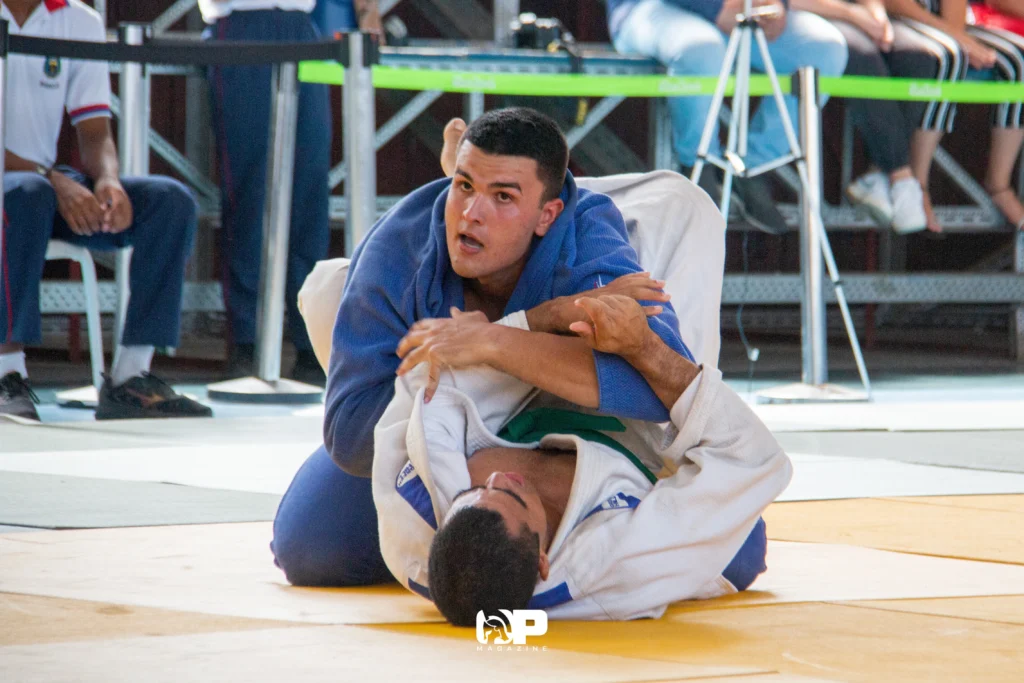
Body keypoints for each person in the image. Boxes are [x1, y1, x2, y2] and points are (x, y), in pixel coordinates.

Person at [270, 107, 721, 587]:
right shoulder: (401, 244)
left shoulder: (586, 236)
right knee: (311, 549)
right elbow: (353, 438)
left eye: (502, 196)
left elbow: (657, 390)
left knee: (735, 552)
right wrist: (544, 321)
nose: (471, 214)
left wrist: (492, 344)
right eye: (463, 186)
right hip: (436, 437)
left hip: (557, 429)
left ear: (548, 215)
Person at [374, 294, 791, 622]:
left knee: (330, 538)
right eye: (513, 495)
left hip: (511, 393)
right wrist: (645, 348)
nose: (499, 476)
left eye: (477, 489)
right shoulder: (618, 558)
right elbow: (752, 458)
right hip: (634, 439)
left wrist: (520, 326)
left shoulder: (412, 519)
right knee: (743, 551)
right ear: (543, 562)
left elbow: (427, 375)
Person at [0, 0, 211, 421]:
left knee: (169, 203)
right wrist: (51, 179)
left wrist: (108, 180)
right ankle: (7, 372)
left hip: (42, 184)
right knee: (28, 194)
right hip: (29, 187)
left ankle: (131, 378)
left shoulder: (79, 20)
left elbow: (95, 129)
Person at [200, 0, 379, 385]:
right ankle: (246, 341)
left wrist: (368, 12)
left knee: (309, 191)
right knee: (249, 194)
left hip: (302, 26)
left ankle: (310, 342)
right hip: (240, 24)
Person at [606, 0, 849, 234]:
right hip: (654, 8)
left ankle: (752, 166)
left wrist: (777, 4)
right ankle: (698, 170)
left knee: (826, 50)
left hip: (738, 10)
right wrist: (714, 8)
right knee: (702, 50)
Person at [791, 0, 931, 232]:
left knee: (917, 58)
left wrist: (877, 16)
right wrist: (852, 14)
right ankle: (901, 177)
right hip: (806, 15)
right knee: (861, 55)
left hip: (856, 15)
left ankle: (878, 176)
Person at [885, 0, 1024, 231]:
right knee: (949, 57)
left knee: (1019, 62)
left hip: (944, 23)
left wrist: (958, 34)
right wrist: (957, 37)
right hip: (893, 18)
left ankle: (999, 184)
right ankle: (918, 183)